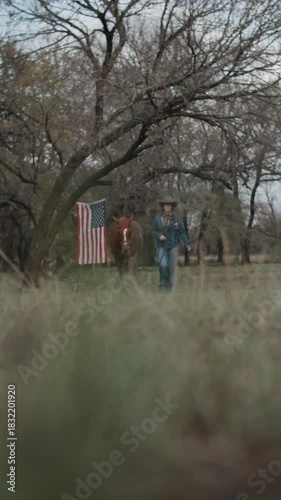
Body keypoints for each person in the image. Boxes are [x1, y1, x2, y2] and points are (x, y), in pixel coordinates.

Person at [152, 195, 192, 292]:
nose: (167, 206)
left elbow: (182, 232)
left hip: (173, 246)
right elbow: (153, 231)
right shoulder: (157, 219)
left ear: (172, 206)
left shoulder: (177, 220)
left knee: (171, 269)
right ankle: (162, 286)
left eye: (169, 205)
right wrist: (159, 235)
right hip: (161, 247)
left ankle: (171, 288)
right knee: (163, 266)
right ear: (163, 206)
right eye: (166, 204)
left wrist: (187, 243)